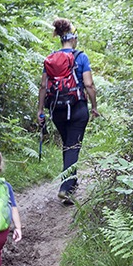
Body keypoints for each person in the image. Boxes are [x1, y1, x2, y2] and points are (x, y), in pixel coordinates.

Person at [37, 18, 100, 205]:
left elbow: (43, 86)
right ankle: (66, 188)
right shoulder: (81, 57)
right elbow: (88, 84)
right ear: (74, 38)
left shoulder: (51, 59)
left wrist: (40, 110)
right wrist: (94, 106)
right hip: (78, 108)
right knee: (73, 146)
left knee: (68, 144)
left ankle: (70, 184)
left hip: (57, 109)